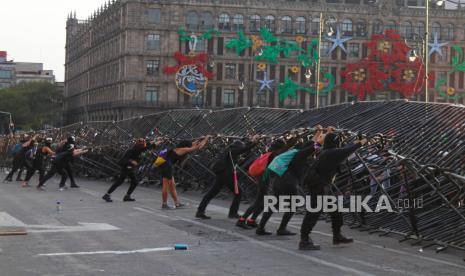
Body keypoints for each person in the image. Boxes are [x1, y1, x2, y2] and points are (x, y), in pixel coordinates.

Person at [299, 133, 367, 250]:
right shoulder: (330, 153)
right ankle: (304, 240)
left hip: (322, 185)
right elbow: (345, 151)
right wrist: (360, 143)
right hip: (319, 186)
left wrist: (355, 144)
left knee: (335, 210)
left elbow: (344, 150)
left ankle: (337, 235)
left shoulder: (327, 151)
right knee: (313, 213)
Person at [255, 133, 322, 236]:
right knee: (293, 205)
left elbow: (312, 143)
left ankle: (260, 228)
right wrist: (328, 134)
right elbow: (315, 146)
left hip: (279, 179)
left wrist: (319, 132)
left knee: (273, 204)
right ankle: (282, 229)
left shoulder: (297, 153)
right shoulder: (301, 154)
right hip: (289, 182)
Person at [196, 135, 260, 220]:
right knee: (238, 193)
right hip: (227, 175)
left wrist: (251, 140)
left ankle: (200, 211)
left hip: (221, 175)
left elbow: (244, 149)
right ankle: (233, 213)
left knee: (211, 193)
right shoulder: (234, 151)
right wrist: (254, 141)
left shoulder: (227, 151)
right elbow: (245, 149)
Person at [236, 139, 287, 229]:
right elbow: (277, 169)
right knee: (258, 202)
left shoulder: (269, 153)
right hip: (264, 180)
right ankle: (242, 220)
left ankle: (252, 220)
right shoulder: (274, 156)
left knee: (263, 202)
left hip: (263, 179)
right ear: (279, 149)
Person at [159, 136, 210, 209]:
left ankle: (177, 203)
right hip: (167, 166)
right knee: (166, 185)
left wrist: (199, 139)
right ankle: (164, 204)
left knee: (172, 185)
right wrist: (206, 139)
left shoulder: (178, 148)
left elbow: (192, 144)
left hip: (165, 165)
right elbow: (198, 147)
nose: (191, 145)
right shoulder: (183, 149)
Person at [102, 138, 158, 202]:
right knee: (120, 181)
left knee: (134, 182)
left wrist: (156, 140)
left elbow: (147, 146)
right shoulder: (134, 150)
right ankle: (107, 195)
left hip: (130, 168)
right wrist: (131, 161)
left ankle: (127, 196)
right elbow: (124, 160)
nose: (144, 146)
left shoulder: (138, 148)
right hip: (127, 167)